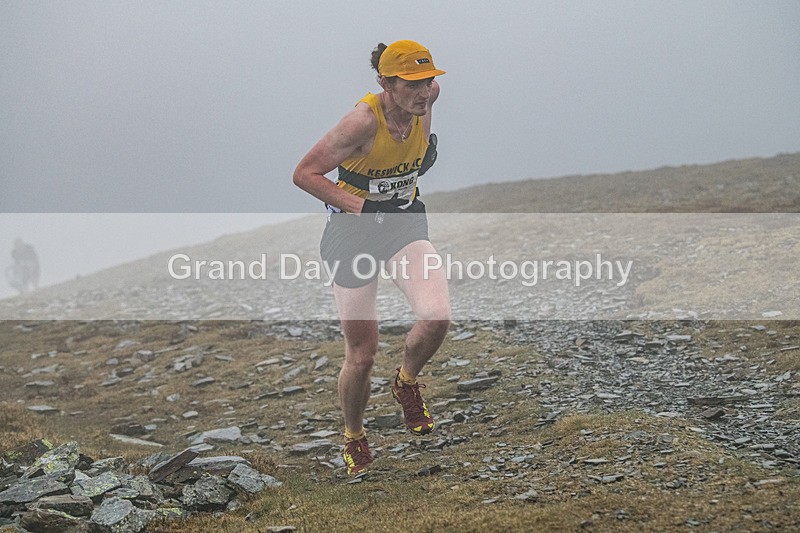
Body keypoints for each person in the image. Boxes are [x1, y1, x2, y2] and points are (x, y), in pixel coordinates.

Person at [293, 40, 451, 475]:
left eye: (429, 80)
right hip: (353, 234)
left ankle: (406, 382)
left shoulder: (429, 99)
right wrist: (365, 207)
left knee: (436, 316)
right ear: (385, 83)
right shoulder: (361, 122)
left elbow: (413, 134)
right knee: (362, 355)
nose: (424, 91)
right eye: (412, 84)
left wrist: (418, 162)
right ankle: (354, 434)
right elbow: (304, 174)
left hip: (403, 224)